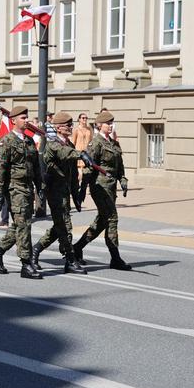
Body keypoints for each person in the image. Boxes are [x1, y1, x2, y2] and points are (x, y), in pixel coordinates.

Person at [0, 105, 43, 279]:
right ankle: (26, 264)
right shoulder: (7, 141)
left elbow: (35, 167)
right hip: (14, 189)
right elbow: (0, 169)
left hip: (27, 188)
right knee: (24, 225)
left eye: (27, 117)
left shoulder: (29, 141)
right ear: (14, 121)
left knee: (20, 225)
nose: (26, 121)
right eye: (23, 118)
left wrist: (39, 187)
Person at [31, 111, 92, 275]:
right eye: (68, 125)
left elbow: (72, 174)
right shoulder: (53, 145)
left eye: (71, 125)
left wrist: (77, 195)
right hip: (54, 192)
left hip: (65, 192)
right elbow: (64, 154)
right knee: (65, 226)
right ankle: (70, 260)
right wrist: (81, 154)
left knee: (59, 227)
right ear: (58, 128)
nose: (71, 128)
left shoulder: (70, 145)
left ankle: (35, 252)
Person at [73, 110, 131, 271]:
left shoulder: (114, 143)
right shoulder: (96, 143)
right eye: (108, 123)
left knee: (101, 222)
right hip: (99, 186)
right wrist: (82, 190)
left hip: (111, 187)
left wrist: (123, 180)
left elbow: (119, 166)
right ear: (99, 125)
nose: (111, 126)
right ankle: (115, 257)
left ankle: (77, 248)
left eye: (112, 123)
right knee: (112, 218)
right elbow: (88, 167)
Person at [71, 113, 93, 177]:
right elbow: (73, 143)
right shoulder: (76, 129)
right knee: (80, 173)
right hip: (79, 153)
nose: (85, 119)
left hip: (87, 153)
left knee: (87, 172)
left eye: (86, 118)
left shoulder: (89, 129)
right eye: (83, 118)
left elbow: (91, 141)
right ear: (79, 119)